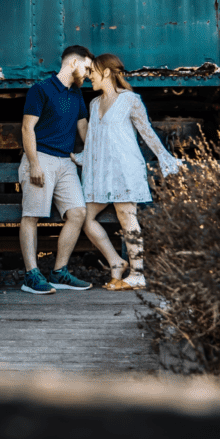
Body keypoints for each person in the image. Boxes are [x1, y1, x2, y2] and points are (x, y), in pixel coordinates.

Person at [72, 53, 182, 290]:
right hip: (101, 172)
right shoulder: (93, 103)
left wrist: (165, 157)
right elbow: (92, 139)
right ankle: (116, 261)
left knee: (126, 217)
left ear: (107, 73)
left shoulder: (130, 100)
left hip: (124, 169)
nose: (89, 76)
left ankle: (138, 274)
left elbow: (147, 132)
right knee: (84, 216)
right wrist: (80, 157)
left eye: (93, 71)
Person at [18, 45, 95, 294]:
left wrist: (93, 156)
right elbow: (27, 128)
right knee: (32, 215)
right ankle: (31, 275)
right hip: (41, 158)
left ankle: (59, 272)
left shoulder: (77, 95)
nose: (88, 74)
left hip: (66, 162)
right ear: (73, 63)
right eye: (86, 68)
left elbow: (85, 131)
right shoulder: (40, 90)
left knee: (78, 213)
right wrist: (34, 164)